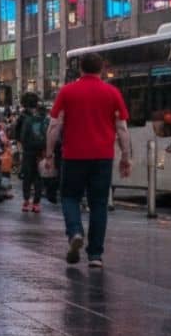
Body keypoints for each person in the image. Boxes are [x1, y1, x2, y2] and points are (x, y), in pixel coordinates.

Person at [45, 52, 132, 268]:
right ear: (101, 69)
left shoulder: (67, 91)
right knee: (99, 204)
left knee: (69, 197)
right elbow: (122, 128)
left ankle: (75, 231)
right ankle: (95, 255)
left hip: (73, 155)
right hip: (103, 157)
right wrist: (126, 156)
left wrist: (48, 155)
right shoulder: (112, 92)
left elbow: (54, 125)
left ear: (80, 69)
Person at [14, 92, 49, 213]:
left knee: (27, 177)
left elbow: (18, 135)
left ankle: (26, 202)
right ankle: (36, 204)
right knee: (38, 177)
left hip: (28, 151)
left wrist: (21, 145)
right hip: (40, 151)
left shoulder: (23, 117)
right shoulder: (43, 116)